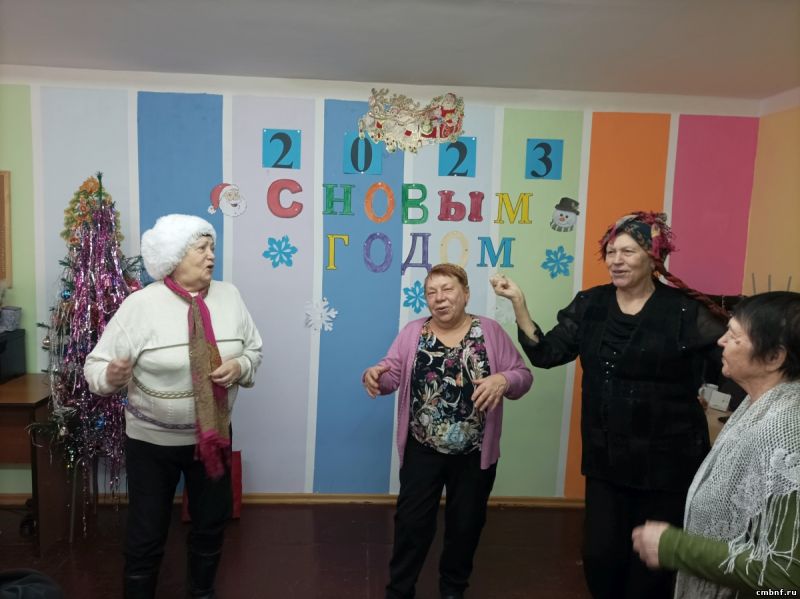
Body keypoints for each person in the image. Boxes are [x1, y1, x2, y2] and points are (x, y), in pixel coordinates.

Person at [490, 212, 727, 599]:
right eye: (611, 252)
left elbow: (734, 360)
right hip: (606, 458)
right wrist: (519, 302)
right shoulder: (591, 304)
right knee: (600, 557)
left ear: (653, 258)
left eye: (628, 252)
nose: (616, 260)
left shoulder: (683, 311)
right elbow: (547, 353)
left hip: (668, 461)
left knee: (651, 567)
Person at [84, 214, 262, 599]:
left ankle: (202, 592)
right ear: (174, 257)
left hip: (213, 436)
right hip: (151, 444)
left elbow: (254, 350)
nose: (211, 256)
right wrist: (111, 376)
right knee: (146, 533)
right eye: (201, 248)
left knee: (211, 525)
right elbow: (95, 367)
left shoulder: (230, 296)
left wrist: (240, 366)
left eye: (212, 247)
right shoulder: (141, 305)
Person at [363, 263, 533, 599]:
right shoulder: (413, 332)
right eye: (431, 292)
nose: (439, 298)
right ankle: (399, 590)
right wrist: (375, 376)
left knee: (465, 525)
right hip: (422, 449)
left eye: (447, 289)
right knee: (411, 524)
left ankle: (453, 589)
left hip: (474, 454)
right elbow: (391, 373)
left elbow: (522, 376)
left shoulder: (489, 331)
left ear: (465, 294)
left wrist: (503, 379)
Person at [632, 292, 800, 597]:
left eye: (734, 336)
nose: (721, 341)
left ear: (774, 357)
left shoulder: (785, 432)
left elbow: (786, 577)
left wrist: (675, 547)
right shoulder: (758, 404)